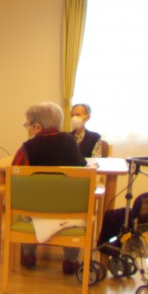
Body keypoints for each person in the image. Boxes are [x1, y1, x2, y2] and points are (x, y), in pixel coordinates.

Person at [12, 101, 87, 275]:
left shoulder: (27, 148)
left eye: (27, 125)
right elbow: (82, 170)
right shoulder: (71, 142)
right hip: (68, 212)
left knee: (25, 212)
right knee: (73, 217)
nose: (27, 129)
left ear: (37, 127)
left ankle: (28, 254)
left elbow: (15, 177)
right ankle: (70, 260)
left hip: (36, 211)